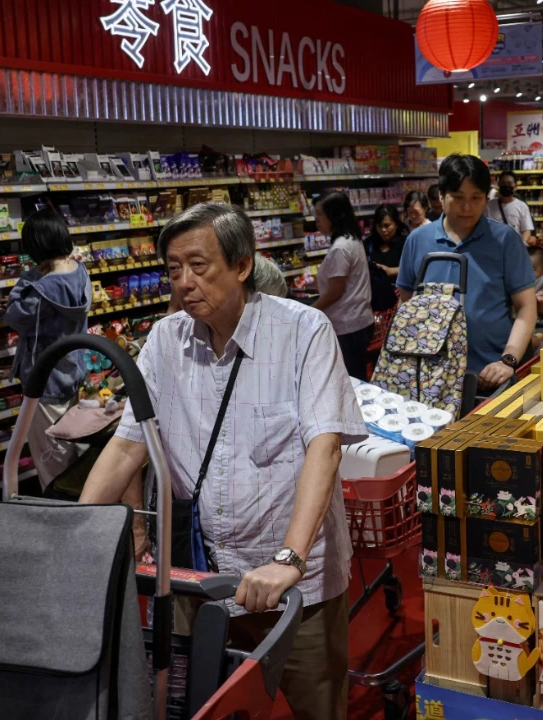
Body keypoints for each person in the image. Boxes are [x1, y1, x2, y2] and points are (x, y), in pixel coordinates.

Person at [80, 203, 365, 720]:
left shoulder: (305, 331)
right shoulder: (166, 341)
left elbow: (324, 449)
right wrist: (73, 535)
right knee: (195, 704)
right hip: (198, 578)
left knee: (318, 706)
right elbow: (127, 445)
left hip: (295, 586)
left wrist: (288, 560)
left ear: (241, 265)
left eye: (198, 265)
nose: (184, 282)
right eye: (173, 269)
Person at [397, 154, 537, 390]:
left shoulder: (505, 241)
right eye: (458, 197)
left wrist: (509, 360)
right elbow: (406, 303)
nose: (467, 207)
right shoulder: (417, 240)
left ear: (486, 198)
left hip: (489, 377)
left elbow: (526, 306)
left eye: (476, 198)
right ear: (441, 195)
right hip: (429, 377)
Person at [3, 209, 92, 490]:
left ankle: (61, 519)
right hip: (73, 374)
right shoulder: (80, 271)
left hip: (44, 382)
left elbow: (14, 316)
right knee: (77, 452)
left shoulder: (40, 290)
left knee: (51, 463)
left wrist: (28, 279)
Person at [312, 192, 374, 380]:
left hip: (348, 326)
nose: (317, 219)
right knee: (357, 375)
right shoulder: (352, 239)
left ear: (334, 215)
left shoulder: (341, 247)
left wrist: (309, 310)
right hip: (359, 321)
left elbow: (334, 292)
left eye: (320, 214)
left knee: (351, 379)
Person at [485, 169, 535, 244]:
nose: (506, 186)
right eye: (503, 183)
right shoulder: (489, 205)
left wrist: (522, 243)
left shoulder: (522, 206)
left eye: (509, 183)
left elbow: (527, 230)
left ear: (515, 186)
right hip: (494, 246)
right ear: (499, 185)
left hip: (514, 246)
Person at [366, 204, 408, 278]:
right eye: (379, 226)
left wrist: (392, 271)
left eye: (387, 226)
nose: (383, 230)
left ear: (396, 224)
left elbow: (414, 268)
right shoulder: (368, 244)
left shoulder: (406, 243)